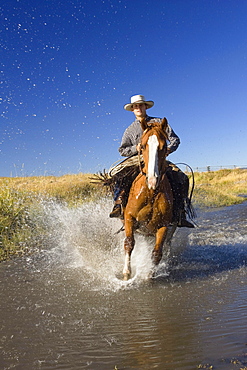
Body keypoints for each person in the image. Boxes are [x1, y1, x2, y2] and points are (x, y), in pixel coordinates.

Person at [109, 94, 194, 228]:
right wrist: (135, 148)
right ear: (132, 109)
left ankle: (179, 212)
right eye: (135, 106)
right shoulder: (130, 130)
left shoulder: (160, 122)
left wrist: (168, 149)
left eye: (141, 105)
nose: (138, 108)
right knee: (118, 176)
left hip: (159, 159)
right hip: (137, 160)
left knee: (181, 178)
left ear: (145, 107)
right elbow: (122, 150)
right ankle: (119, 205)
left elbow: (175, 139)